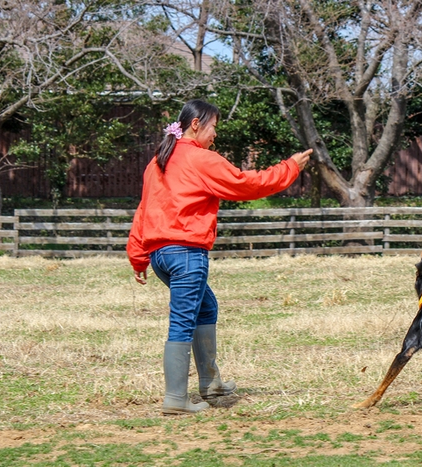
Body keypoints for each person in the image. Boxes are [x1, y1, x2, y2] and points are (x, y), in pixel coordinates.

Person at [127, 99, 311, 415]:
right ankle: (175, 399)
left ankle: (210, 383)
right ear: (195, 124)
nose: (215, 135)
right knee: (183, 321)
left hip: (161, 256)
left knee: (206, 306)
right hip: (186, 253)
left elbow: (144, 210)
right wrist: (289, 167)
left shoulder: (158, 160)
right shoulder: (201, 159)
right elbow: (247, 184)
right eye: (213, 127)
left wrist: (138, 256)